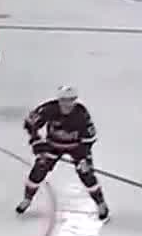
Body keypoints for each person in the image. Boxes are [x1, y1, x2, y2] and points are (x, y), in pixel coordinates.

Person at [18, 86, 106, 219]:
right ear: (59, 99)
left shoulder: (81, 113)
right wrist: (37, 143)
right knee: (39, 169)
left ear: (75, 100)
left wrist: (84, 159)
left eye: (70, 100)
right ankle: (27, 199)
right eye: (64, 100)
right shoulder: (48, 109)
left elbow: (89, 138)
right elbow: (30, 124)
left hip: (76, 147)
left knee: (86, 174)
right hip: (53, 145)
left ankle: (101, 204)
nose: (67, 104)